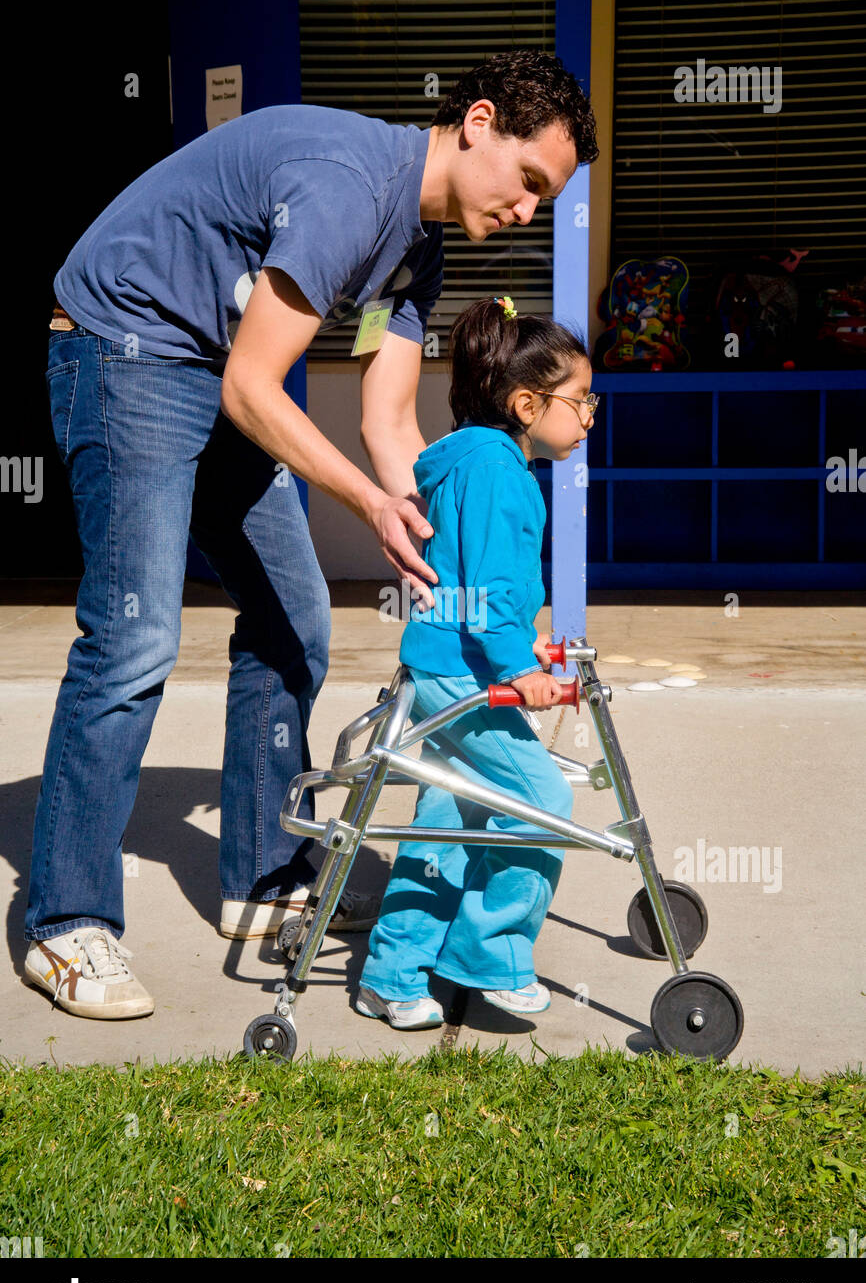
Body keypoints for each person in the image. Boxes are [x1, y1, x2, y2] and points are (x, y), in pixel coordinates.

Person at [24, 50, 599, 1021]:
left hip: (207, 365)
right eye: (529, 180)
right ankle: (66, 921)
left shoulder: (418, 251)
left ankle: (261, 879)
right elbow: (257, 385)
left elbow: (388, 426)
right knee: (134, 636)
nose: (528, 211)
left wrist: (452, 547)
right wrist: (370, 507)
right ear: (477, 123)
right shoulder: (348, 188)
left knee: (295, 620)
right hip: (120, 345)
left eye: (545, 196)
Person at [357, 295, 597, 1030]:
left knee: (446, 819)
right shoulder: (499, 471)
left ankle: (392, 973)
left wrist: (522, 646)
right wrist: (517, 670)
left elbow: (473, 580)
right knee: (541, 804)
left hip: (443, 662)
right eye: (582, 400)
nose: (590, 415)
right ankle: (492, 954)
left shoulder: (469, 461)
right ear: (527, 403)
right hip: (465, 672)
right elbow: (492, 588)